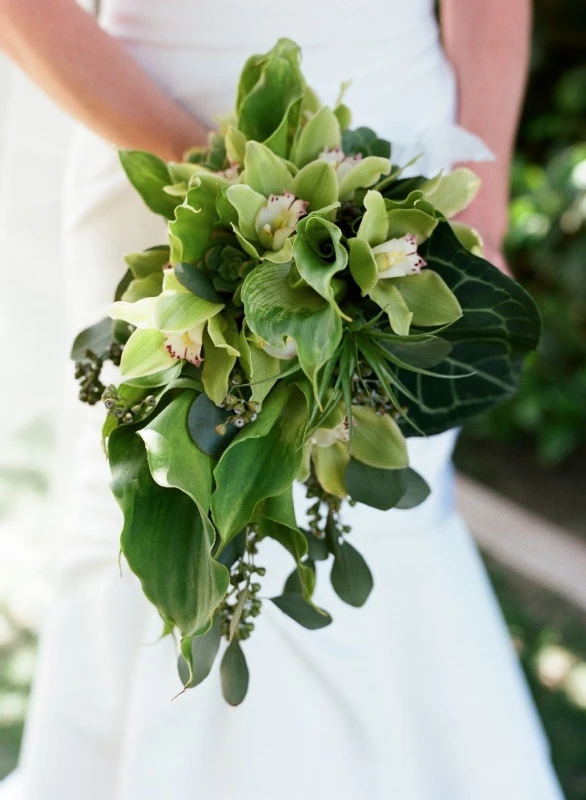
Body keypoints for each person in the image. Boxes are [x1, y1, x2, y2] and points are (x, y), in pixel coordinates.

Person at [0, 1, 566, 798]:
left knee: (381, 507)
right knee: (167, 502)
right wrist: (205, 179)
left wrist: (485, 205)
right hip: (142, 124)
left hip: (396, 160)